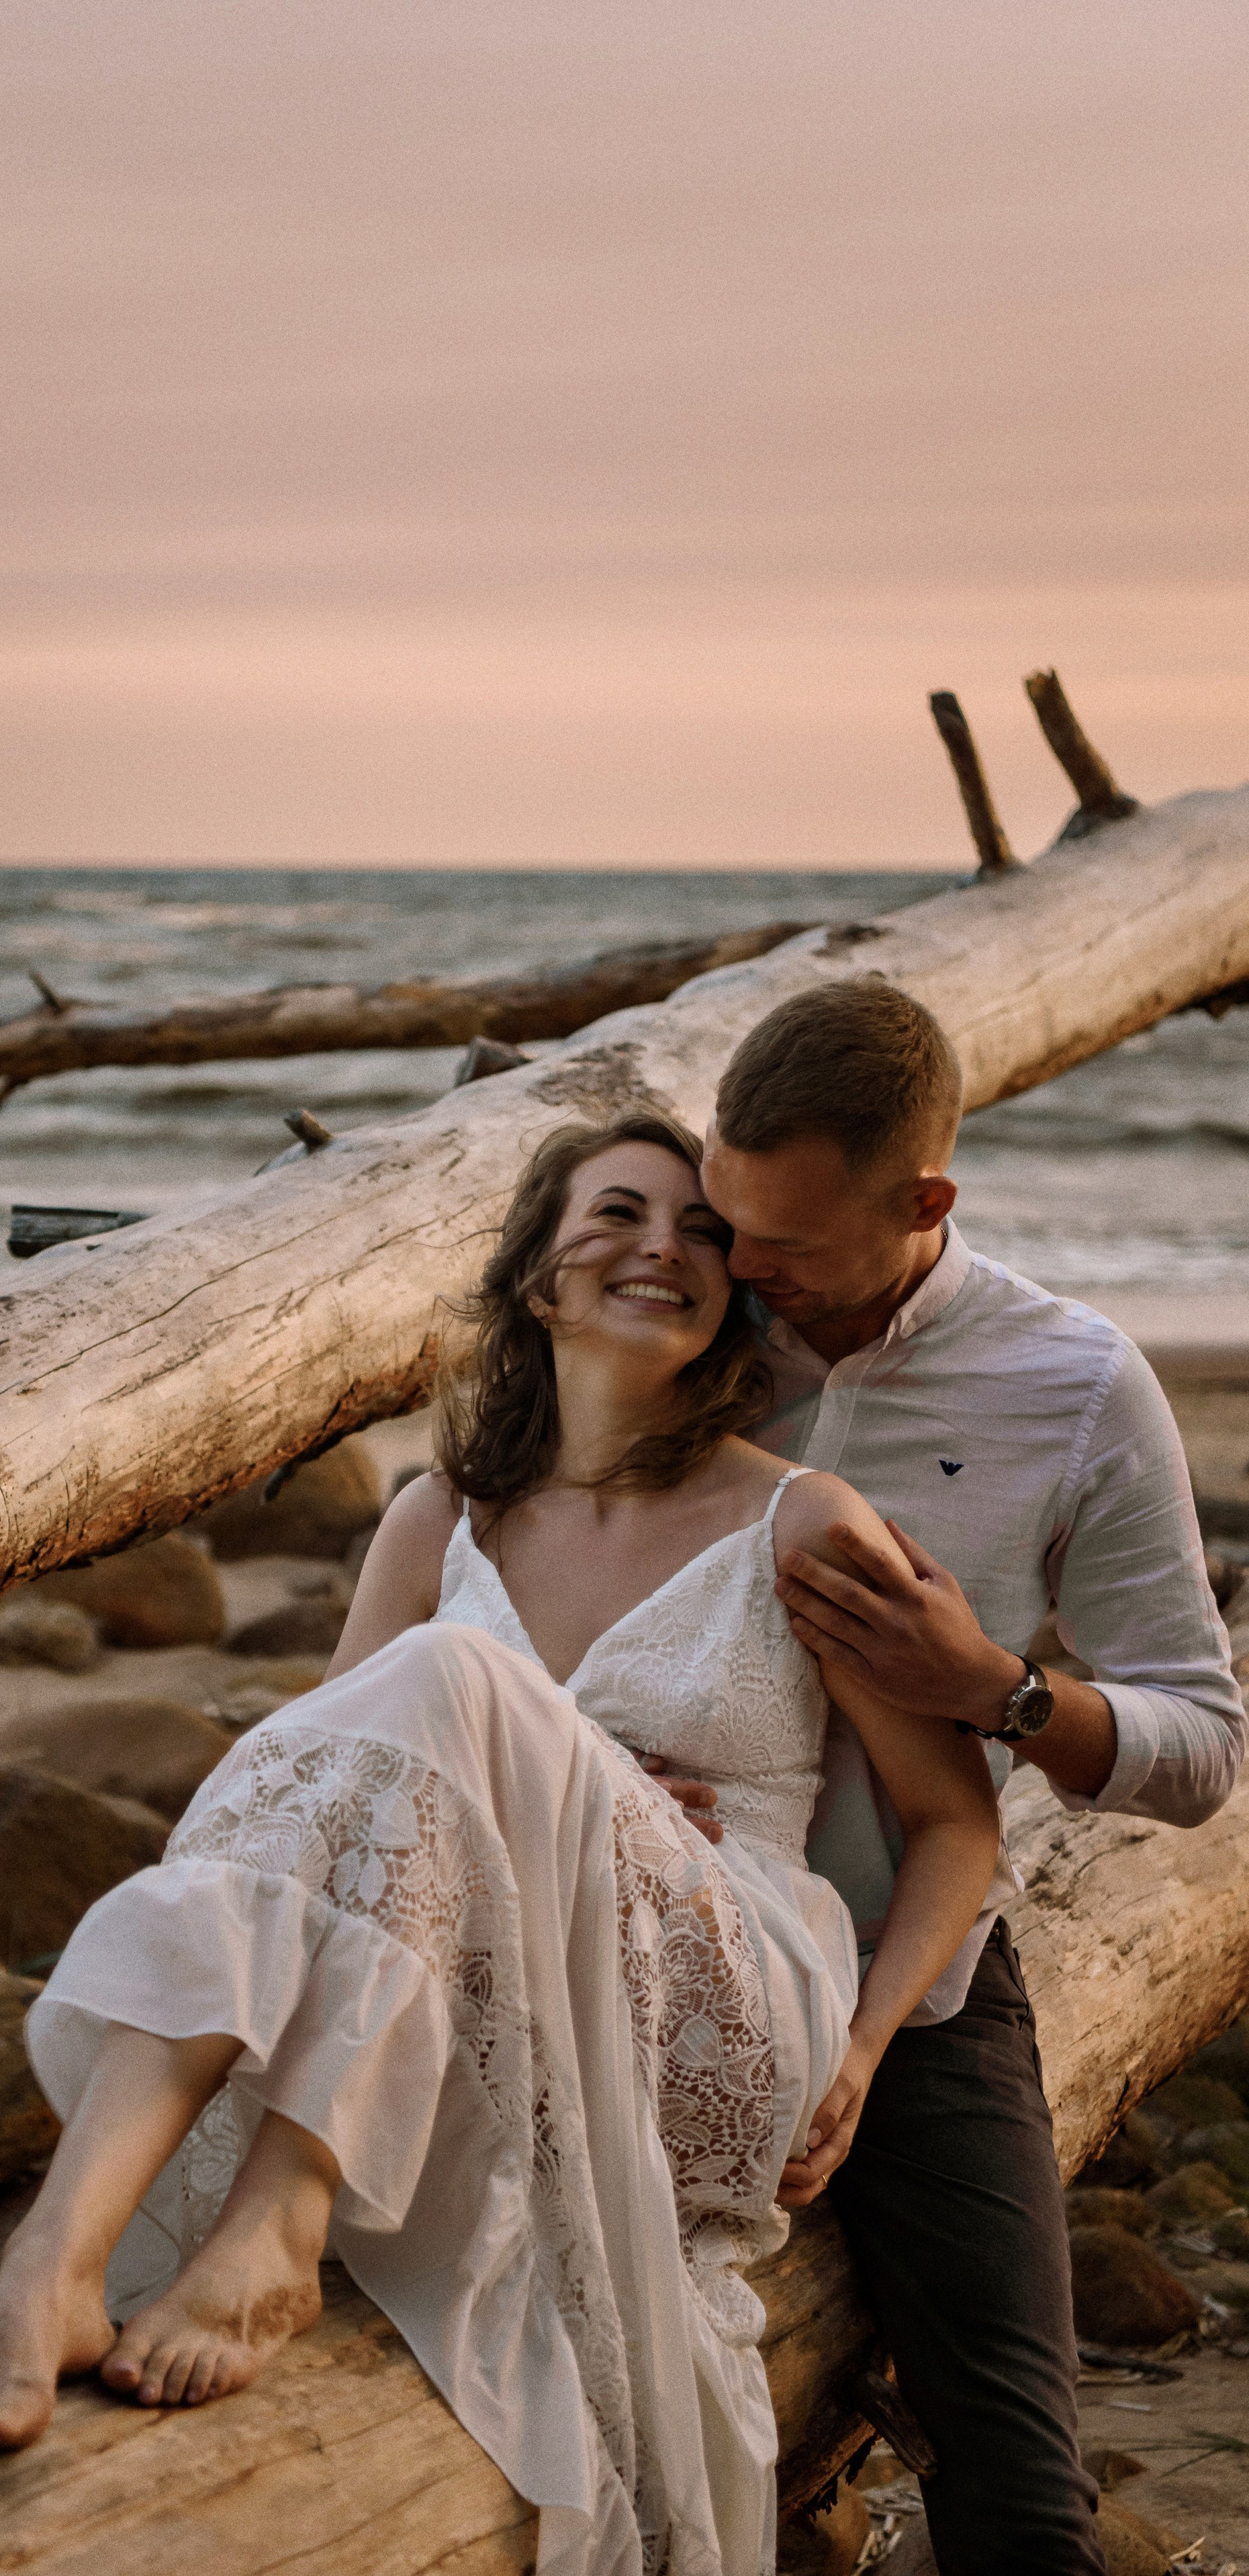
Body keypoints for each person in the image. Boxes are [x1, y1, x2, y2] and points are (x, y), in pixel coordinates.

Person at [0, 1112, 1001, 2576]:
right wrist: (548, 1782)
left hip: (714, 2006)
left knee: (449, 1682)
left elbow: (953, 1821)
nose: (661, 1247)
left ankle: (275, 2221)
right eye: (618, 1213)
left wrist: (866, 2046)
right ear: (537, 1277)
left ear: (732, 1293)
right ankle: (58, 2262)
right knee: (370, 1731)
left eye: (698, 1232)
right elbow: (320, 1819)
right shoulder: (440, 1515)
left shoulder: (799, 1522)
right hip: (476, 2012)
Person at [641, 978, 1245, 2576]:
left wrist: (996, 1688)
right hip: (628, 1940)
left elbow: (1199, 1752)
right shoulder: (679, 1322)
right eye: (725, 1219)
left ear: (925, 1205)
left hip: (904, 1966)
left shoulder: (1073, 1383)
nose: (742, 1275)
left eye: (786, 1247)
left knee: (1018, 2485)